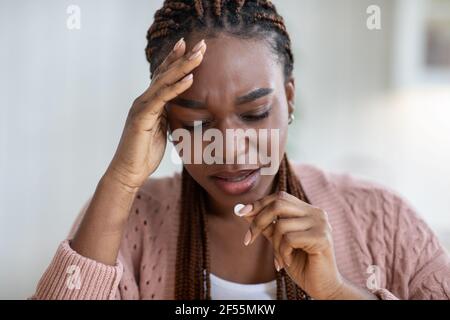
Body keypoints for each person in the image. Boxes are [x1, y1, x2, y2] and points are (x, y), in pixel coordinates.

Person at [32, 0, 449, 300]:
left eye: (254, 113)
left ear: (289, 98)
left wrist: (337, 292)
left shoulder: (386, 221)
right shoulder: (125, 223)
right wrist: (122, 179)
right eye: (196, 122)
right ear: (162, 119)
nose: (229, 150)